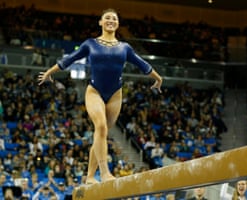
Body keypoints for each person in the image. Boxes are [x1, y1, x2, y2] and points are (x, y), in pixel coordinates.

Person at [38, 8, 163, 184]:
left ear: (118, 24)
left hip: (115, 94)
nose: (111, 20)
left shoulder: (124, 47)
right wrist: (49, 72)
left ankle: (89, 177)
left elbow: (142, 64)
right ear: (101, 22)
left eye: (114, 18)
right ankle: (104, 173)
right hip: (94, 91)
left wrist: (158, 79)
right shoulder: (90, 44)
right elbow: (70, 59)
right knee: (102, 127)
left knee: (101, 133)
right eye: (107, 18)